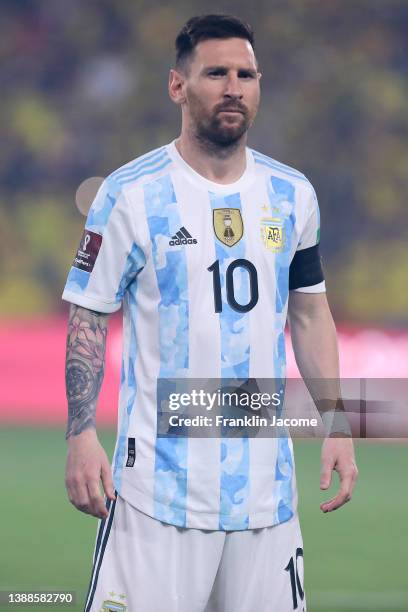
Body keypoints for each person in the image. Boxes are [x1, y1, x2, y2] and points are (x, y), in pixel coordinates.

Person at [63, 14, 358, 612]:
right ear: (177, 86)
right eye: (216, 72)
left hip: (265, 498)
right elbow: (89, 318)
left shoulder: (291, 194)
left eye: (245, 74)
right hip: (156, 496)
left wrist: (336, 419)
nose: (233, 87)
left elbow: (309, 314)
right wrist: (80, 432)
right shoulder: (131, 193)